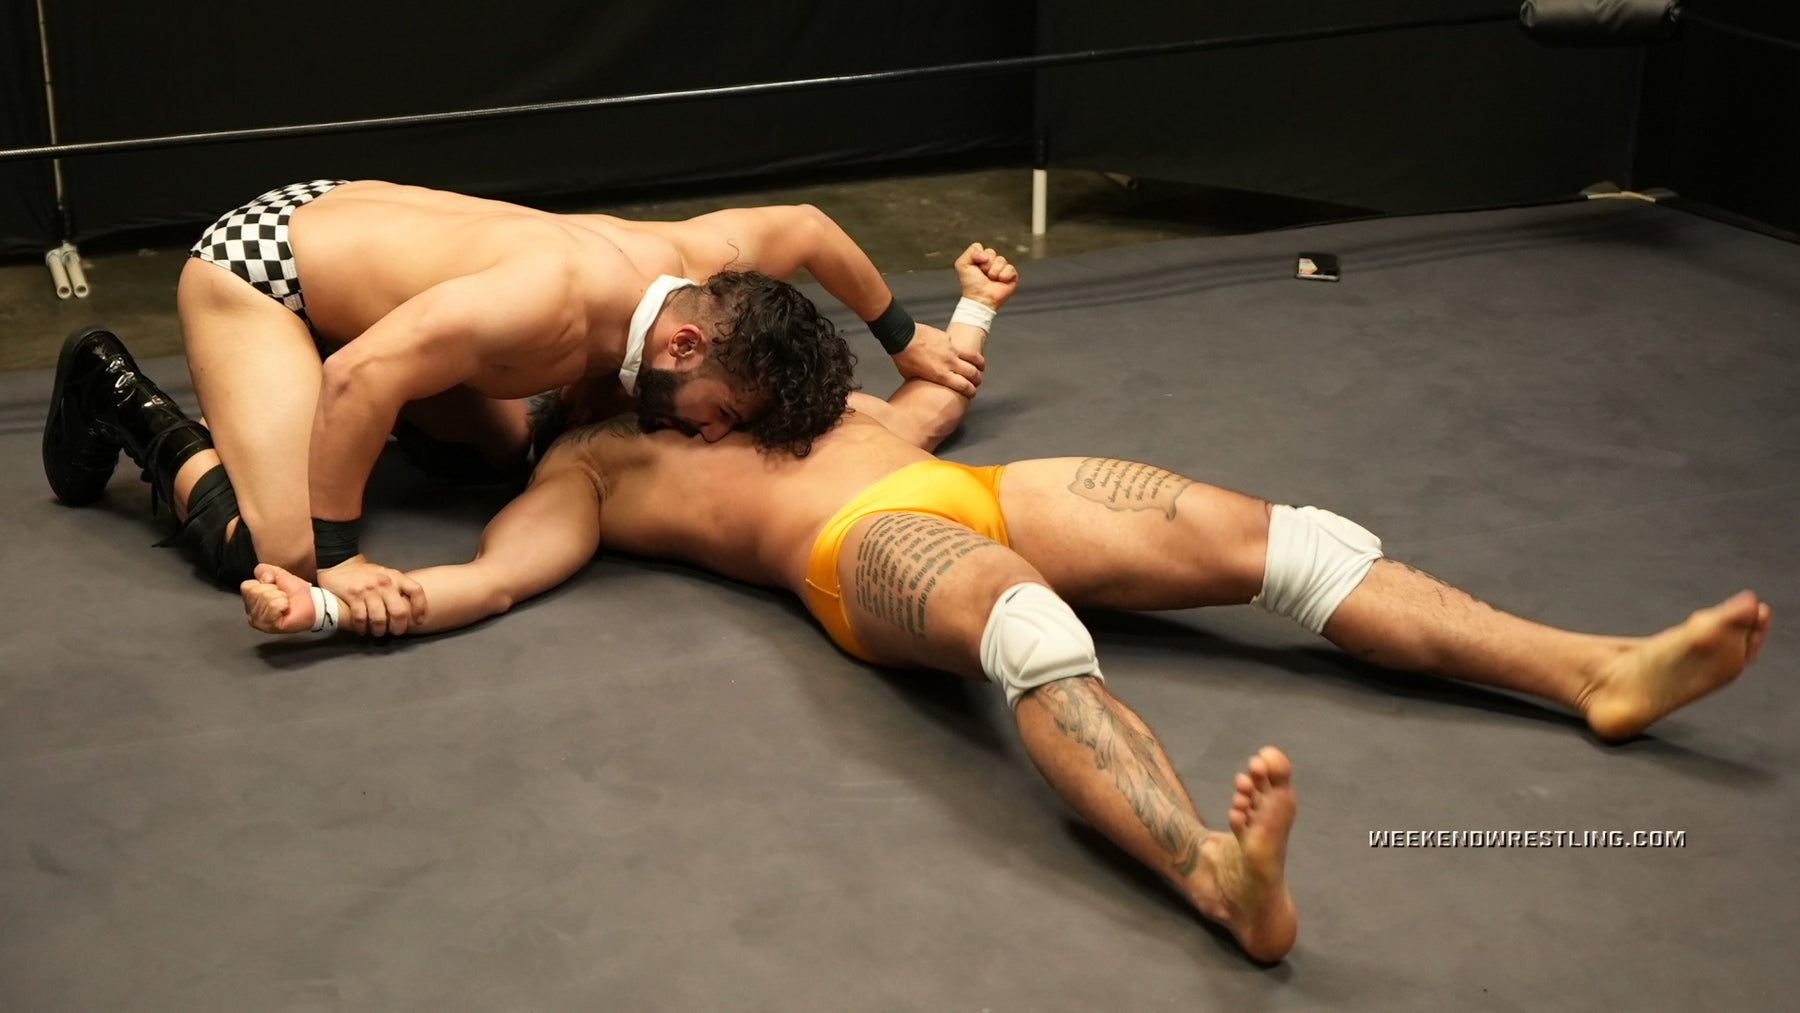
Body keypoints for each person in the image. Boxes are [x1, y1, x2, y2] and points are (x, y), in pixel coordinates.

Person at [241, 244, 1769, 962]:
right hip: (865, 553)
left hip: (980, 482)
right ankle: (1213, 872)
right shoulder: (587, 462)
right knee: (1031, 630)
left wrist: (970, 312)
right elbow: (495, 574)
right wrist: (343, 603)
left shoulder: (772, 372)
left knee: (1289, 540)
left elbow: (918, 402)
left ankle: (1594, 669)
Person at [43, 179, 980, 624]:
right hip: (260, 270)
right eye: (723, 411)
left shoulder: (697, 271)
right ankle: (114, 393)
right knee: (276, 544)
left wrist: (907, 337)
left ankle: (277, 406)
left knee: (501, 457)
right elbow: (359, 376)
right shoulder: (545, 309)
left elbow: (809, 228)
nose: (710, 433)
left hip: (355, 233)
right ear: (685, 345)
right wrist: (341, 559)